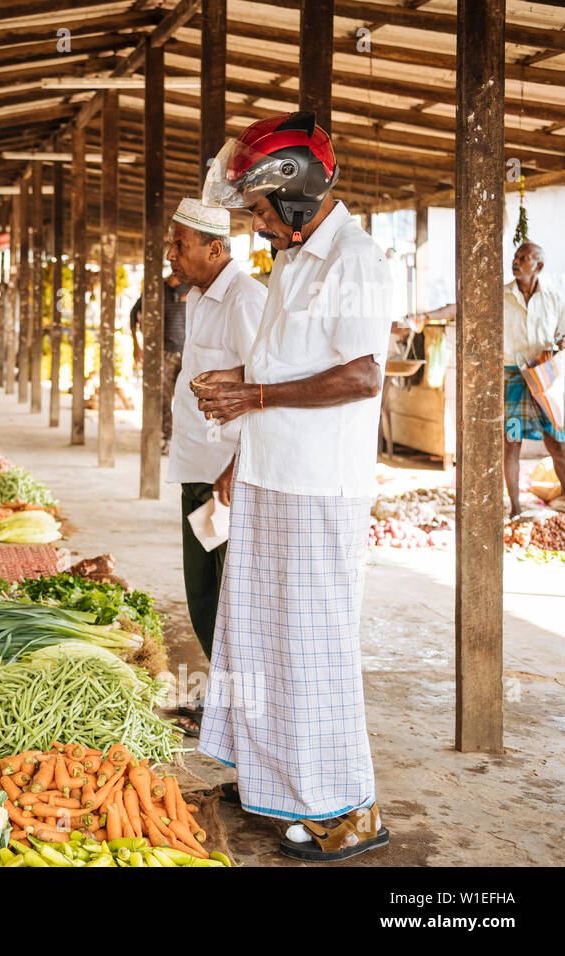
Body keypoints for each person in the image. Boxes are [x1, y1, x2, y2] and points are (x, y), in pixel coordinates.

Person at [193, 111, 393, 862]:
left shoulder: (356, 261)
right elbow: (288, 366)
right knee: (270, 645)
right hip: (277, 479)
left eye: (261, 207)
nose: (256, 221)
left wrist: (258, 398)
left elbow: (362, 373)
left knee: (320, 650)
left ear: (299, 196)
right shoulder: (297, 262)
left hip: (319, 490)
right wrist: (241, 384)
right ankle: (293, 790)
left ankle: (355, 811)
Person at [162, 198, 265, 735]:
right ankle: (225, 701)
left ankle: (240, 712)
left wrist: (237, 467)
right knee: (203, 592)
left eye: (180, 244)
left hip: (225, 478)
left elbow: (263, 389)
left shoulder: (245, 300)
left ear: (216, 247)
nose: (171, 253)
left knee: (229, 596)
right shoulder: (202, 296)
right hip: (198, 470)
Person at [410, 242, 565, 517]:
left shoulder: (554, 297)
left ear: (538, 266)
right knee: (512, 440)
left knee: (557, 443)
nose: (516, 261)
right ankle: (515, 509)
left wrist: (559, 346)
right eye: (516, 256)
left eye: (523, 258)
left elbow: (563, 333)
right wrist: (426, 316)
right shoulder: (500, 295)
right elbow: (463, 305)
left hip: (543, 378)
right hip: (513, 376)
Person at [131, 273, 190, 451]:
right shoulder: (155, 290)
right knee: (164, 396)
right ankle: (167, 436)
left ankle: (183, 437)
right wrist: (136, 345)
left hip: (187, 351)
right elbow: (134, 315)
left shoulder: (191, 288)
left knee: (187, 396)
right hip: (163, 351)